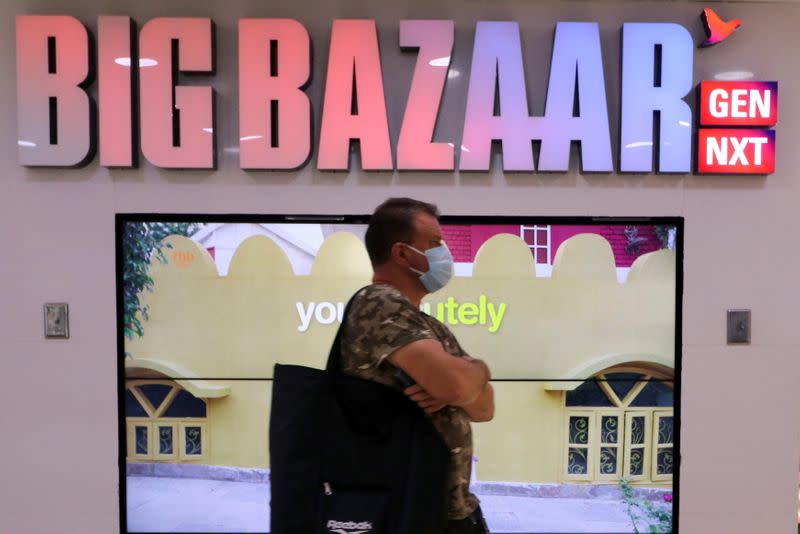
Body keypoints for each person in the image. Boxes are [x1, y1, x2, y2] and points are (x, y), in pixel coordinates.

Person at [341, 198, 494, 534]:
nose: (444, 253)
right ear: (401, 254)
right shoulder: (378, 302)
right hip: (407, 514)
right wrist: (478, 370)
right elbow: (460, 386)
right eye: (434, 243)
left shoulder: (427, 325)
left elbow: (485, 407)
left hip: (453, 511)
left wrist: (459, 386)